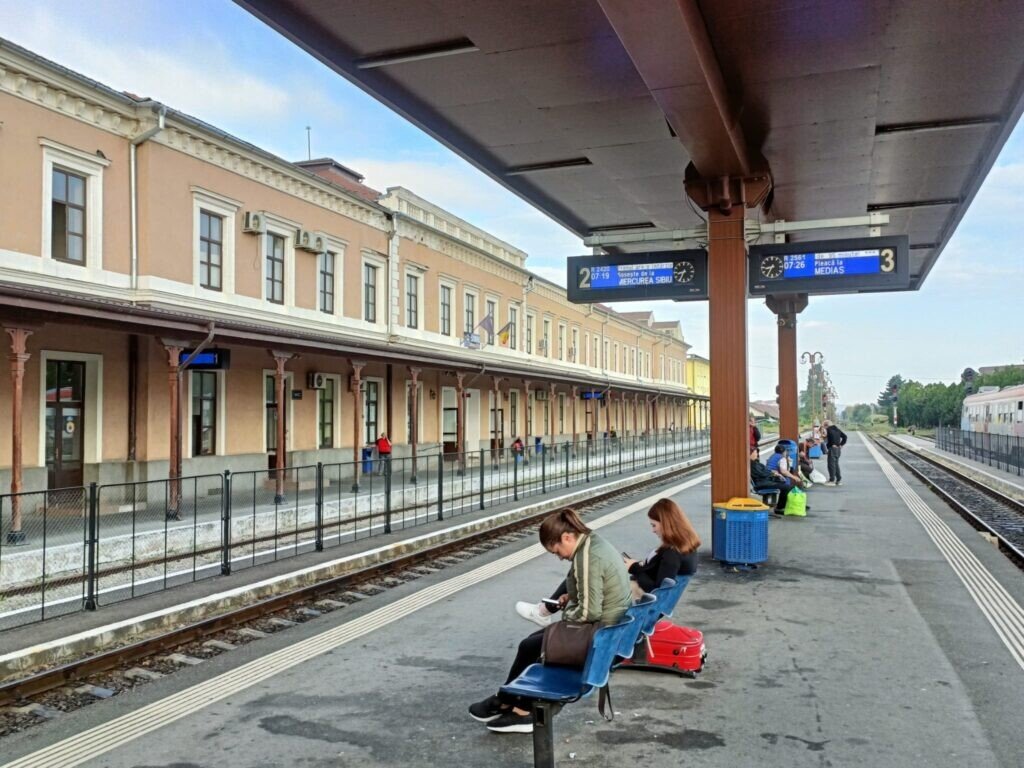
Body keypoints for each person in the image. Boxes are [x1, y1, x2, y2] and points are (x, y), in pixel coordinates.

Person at [469, 508, 630, 734]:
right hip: (609, 630)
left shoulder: (588, 558)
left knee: (531, 646)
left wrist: (565, 618)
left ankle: (520, 710)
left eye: (557, 551)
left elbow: (588, 612)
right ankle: (508, 700)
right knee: (533, 641)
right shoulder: (593, 543)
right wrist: (571, 597)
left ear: (567, 537)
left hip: (600, 636)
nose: (560, 557)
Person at [622, 498, 700, 598]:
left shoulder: (672, 554)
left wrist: (634, 568)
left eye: (654, 525)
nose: (653, 530)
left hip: (642, 602)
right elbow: (662, 573)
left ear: (666, 524)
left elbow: (656, 591)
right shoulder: (685, 547)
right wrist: (642, 566)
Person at [750, 446, 791, 514]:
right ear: (750, 454)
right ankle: (779, 508)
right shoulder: (752, 464)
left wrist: (773, 473)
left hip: (764, 481)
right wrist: (773, 474)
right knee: (786, 487)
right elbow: (762, 473)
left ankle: (779, 506)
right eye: (755, 452)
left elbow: (764, 471)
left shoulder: (754, 463)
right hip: (762, 483)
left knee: (785, 484)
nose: (757, 454)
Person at [823, 419, 848, 486]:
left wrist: (833, 444)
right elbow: (845, 437)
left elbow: (830, 436)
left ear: (826, 425)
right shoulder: (837, 429)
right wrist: (840, 445)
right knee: (836, 464)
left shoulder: (829, 429)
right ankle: (838, 480)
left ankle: (832, 481)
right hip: (838, 449)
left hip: (832, 449)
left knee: (831, 465)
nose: (824, 428)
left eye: (824, 426)